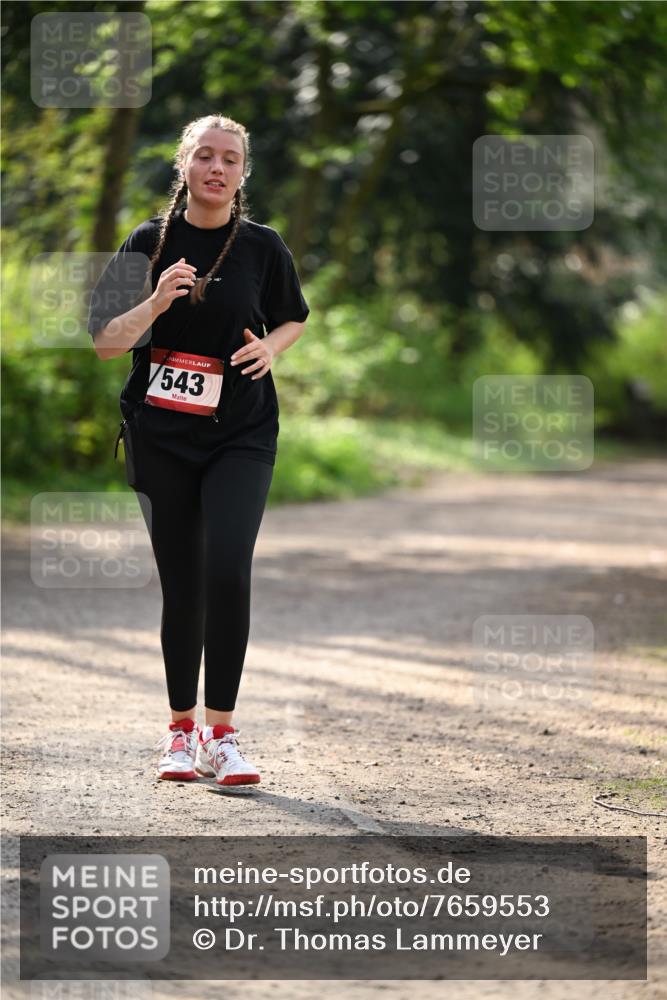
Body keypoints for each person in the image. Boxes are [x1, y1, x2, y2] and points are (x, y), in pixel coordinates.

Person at [87, 114, 310, 786]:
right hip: (160, 436)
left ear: (243, 173)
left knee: (227, 569)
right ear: (183, 164)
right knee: (182, 583)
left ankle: (222, 734)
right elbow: (103, 342)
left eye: (231, 160)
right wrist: (155, 303)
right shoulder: (146, 242)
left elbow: (294, 314)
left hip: (241, 431)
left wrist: (270, 347)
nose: (218, 169)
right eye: (205, 156)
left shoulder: (264, 247)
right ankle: (180, 734)